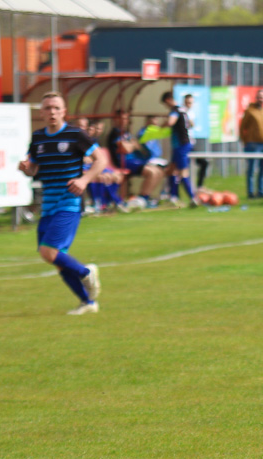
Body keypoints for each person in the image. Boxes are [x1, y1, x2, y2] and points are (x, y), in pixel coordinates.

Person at [18, 91, 105, 315]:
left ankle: (86, 272)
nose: (52, 112)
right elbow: (34, 169)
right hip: (48, 206)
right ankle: (88, 303)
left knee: (48, 251)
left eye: (56, 108)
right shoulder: (38, 138)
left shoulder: (76, 135)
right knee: (56, 259)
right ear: (42, 112)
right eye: (48, 108)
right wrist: (27, 169)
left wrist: (84, 180)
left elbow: (101, 159)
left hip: (69, 203)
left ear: (64, 112)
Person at [107, 109, 164, 203]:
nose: (124, 121)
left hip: (133, 160)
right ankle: (142, 199)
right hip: (124, 162)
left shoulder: (125, 133)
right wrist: (132, 145)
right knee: (152, 173)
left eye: (126, 119)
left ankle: (146, 197)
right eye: (122, 118)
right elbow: (126, 148)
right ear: (115, 119)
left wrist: (131, 145)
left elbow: (137, 145)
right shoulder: (114, 134)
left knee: (159, 171)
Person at [161, 91, 199, 208]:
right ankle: (173, 196)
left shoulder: (175, 110)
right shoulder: (183, 110)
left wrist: (160, 127)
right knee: (172, 169)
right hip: (180, 144)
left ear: (168, 100)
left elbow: (170, 122)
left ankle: (193, 198)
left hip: (181, 145)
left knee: (183, 171)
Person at [239, 89, 263, 199]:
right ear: (256, 98)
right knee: (251, 169)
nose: (260, 99)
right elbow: (242, 127)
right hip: (253, 144)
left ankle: (261, 192)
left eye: (262, 97)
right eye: (259, 97)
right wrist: (245, 141)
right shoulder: (250, 111)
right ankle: (250, 193)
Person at [182, 94, 210, 194]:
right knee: (181, 169)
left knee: (204, 163)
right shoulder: (182, 113)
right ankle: (172, 192)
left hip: (190, 143)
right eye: (187, 102)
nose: (189, 104)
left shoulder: (190, 113)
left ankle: (199, 187)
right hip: (184, 145)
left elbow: (192, 125)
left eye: (190, 102)